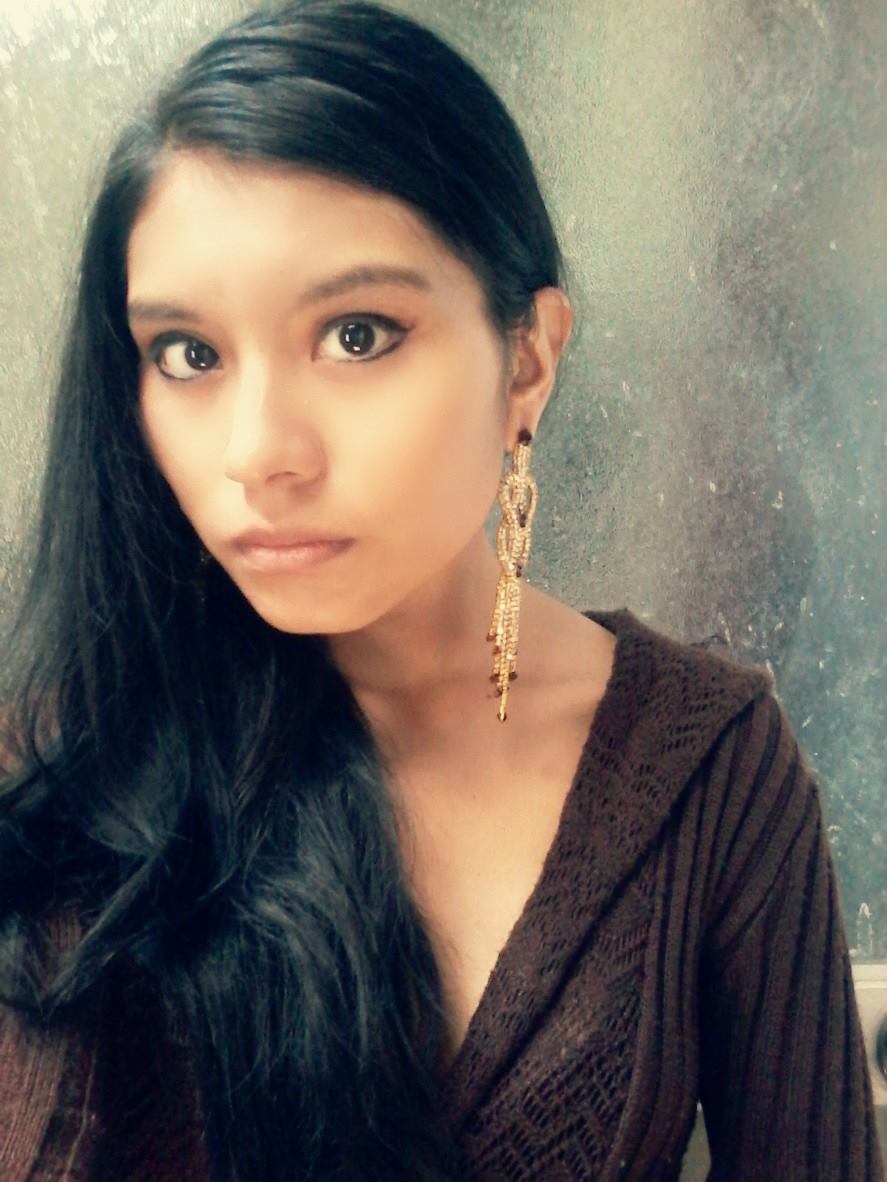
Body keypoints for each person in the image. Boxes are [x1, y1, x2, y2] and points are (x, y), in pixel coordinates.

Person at [0, 2, 882, 1179]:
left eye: (356, 335)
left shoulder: (708, 771)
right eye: (189, 354)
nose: (258, 452)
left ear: (528, 359)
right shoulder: (63, 775)